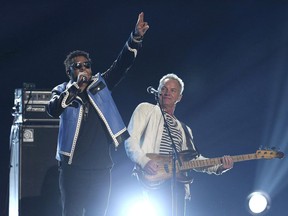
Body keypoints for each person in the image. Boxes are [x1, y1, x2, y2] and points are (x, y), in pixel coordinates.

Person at [47, 12, 149, 216]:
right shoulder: (62, 90)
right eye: (78, 66)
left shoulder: (100, 85)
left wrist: (135, 38)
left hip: (101, 168)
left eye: (87, 65)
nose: (85, 68)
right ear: (70, 72)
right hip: (73, 169)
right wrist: (75, 88)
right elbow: (53, 109)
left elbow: (122, 65)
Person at [124, 73, 234, 216]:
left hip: (176, 186)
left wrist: (219, 166)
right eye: (164, 88)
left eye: (173, 90)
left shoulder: (185, 130)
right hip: (148, 178)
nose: (167, 92)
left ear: (179, 97)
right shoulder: (146, 109)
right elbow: (130, 140)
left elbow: (194, 160)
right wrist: (144, 161)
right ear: (158, 91)